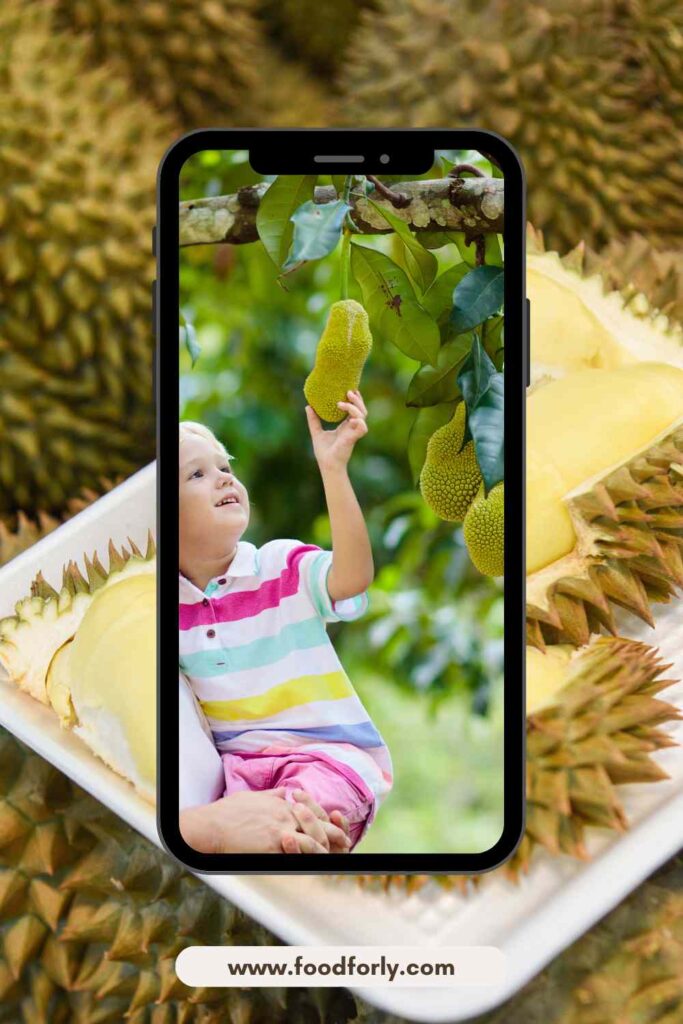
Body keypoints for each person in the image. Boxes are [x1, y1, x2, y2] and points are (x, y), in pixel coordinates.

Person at [178, 390, 393, 852]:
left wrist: (333, 469)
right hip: (242, 772)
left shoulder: (279, 566)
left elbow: (352, 579)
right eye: (197, 474)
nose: (222, 479)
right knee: (240, 840)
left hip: (326, 761)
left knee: (292, 816)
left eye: (225, 468)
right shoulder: (163, 607)